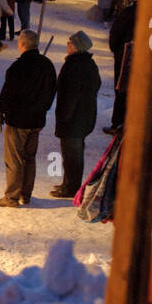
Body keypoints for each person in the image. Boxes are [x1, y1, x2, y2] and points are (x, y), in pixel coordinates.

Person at [0, 30, 57, 207]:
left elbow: (8, 93)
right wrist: (42, 109)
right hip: (37, 121)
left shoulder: (18, 67)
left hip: (18, 121)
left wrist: (1, 109)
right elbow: (51, 92)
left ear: (22, 44)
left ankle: (12, 197)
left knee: (14, 159)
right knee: (29, 158)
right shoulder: (47, 65)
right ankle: (25, 194)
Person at [51, 31, 102, 198]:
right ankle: (69, 183)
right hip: (84, 116)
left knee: (72, 155)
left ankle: (71, 187)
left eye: (69, 43)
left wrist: (65, 116)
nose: (67, 45)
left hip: (74, 119)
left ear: (76, 46)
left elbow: (71, 94)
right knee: (73, 153)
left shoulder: (74, 66)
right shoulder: (88, 64)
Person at [105, 0, 139, 133]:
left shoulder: (130, 12)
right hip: (139, 56)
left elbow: (116, 33)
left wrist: (116, 49)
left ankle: (117, 123)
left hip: (126, 55)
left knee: (121, 88)